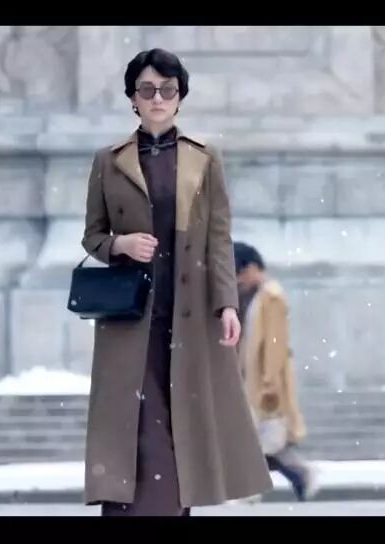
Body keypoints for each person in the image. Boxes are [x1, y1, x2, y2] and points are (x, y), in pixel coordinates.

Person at [80, 48, 272, 516]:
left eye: (167, 89)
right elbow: (92, 237)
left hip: (188, 318)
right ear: (133, 98)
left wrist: (227, 304)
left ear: (180, 96)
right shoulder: (109, 161)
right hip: (131, 318)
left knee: (182, 430)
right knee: (142, 432)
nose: (157, 98)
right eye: (147, 89)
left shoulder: (204, 159)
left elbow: (219, 239)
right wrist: (121, 245)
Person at [234, 241, 320, 501]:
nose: (238, 281)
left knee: (262, 441)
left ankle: (255, 487)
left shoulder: (271, 297)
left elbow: (274, 344)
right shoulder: (255, 297)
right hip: (252, 379)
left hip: (265, 381)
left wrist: (270, 383)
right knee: (263, 441)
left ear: (252, 268)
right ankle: (300, 475)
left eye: (239, 273)